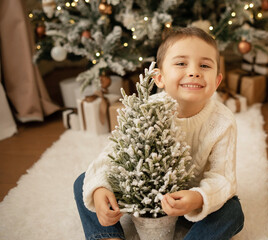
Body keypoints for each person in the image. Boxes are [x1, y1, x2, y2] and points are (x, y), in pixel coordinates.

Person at [74, 27, 244, 240]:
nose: (194, 72)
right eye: (181, 63)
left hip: (185, 202)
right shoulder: (145, 110)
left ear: (217, 81)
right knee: (86, 182)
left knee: (232, 211)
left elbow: (223, 177)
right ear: (159, 78)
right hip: (140, 194)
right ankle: (107, 236)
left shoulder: (223, 121)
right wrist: (100, 191)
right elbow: (110, 157)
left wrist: (198, 198)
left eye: (204, 65)